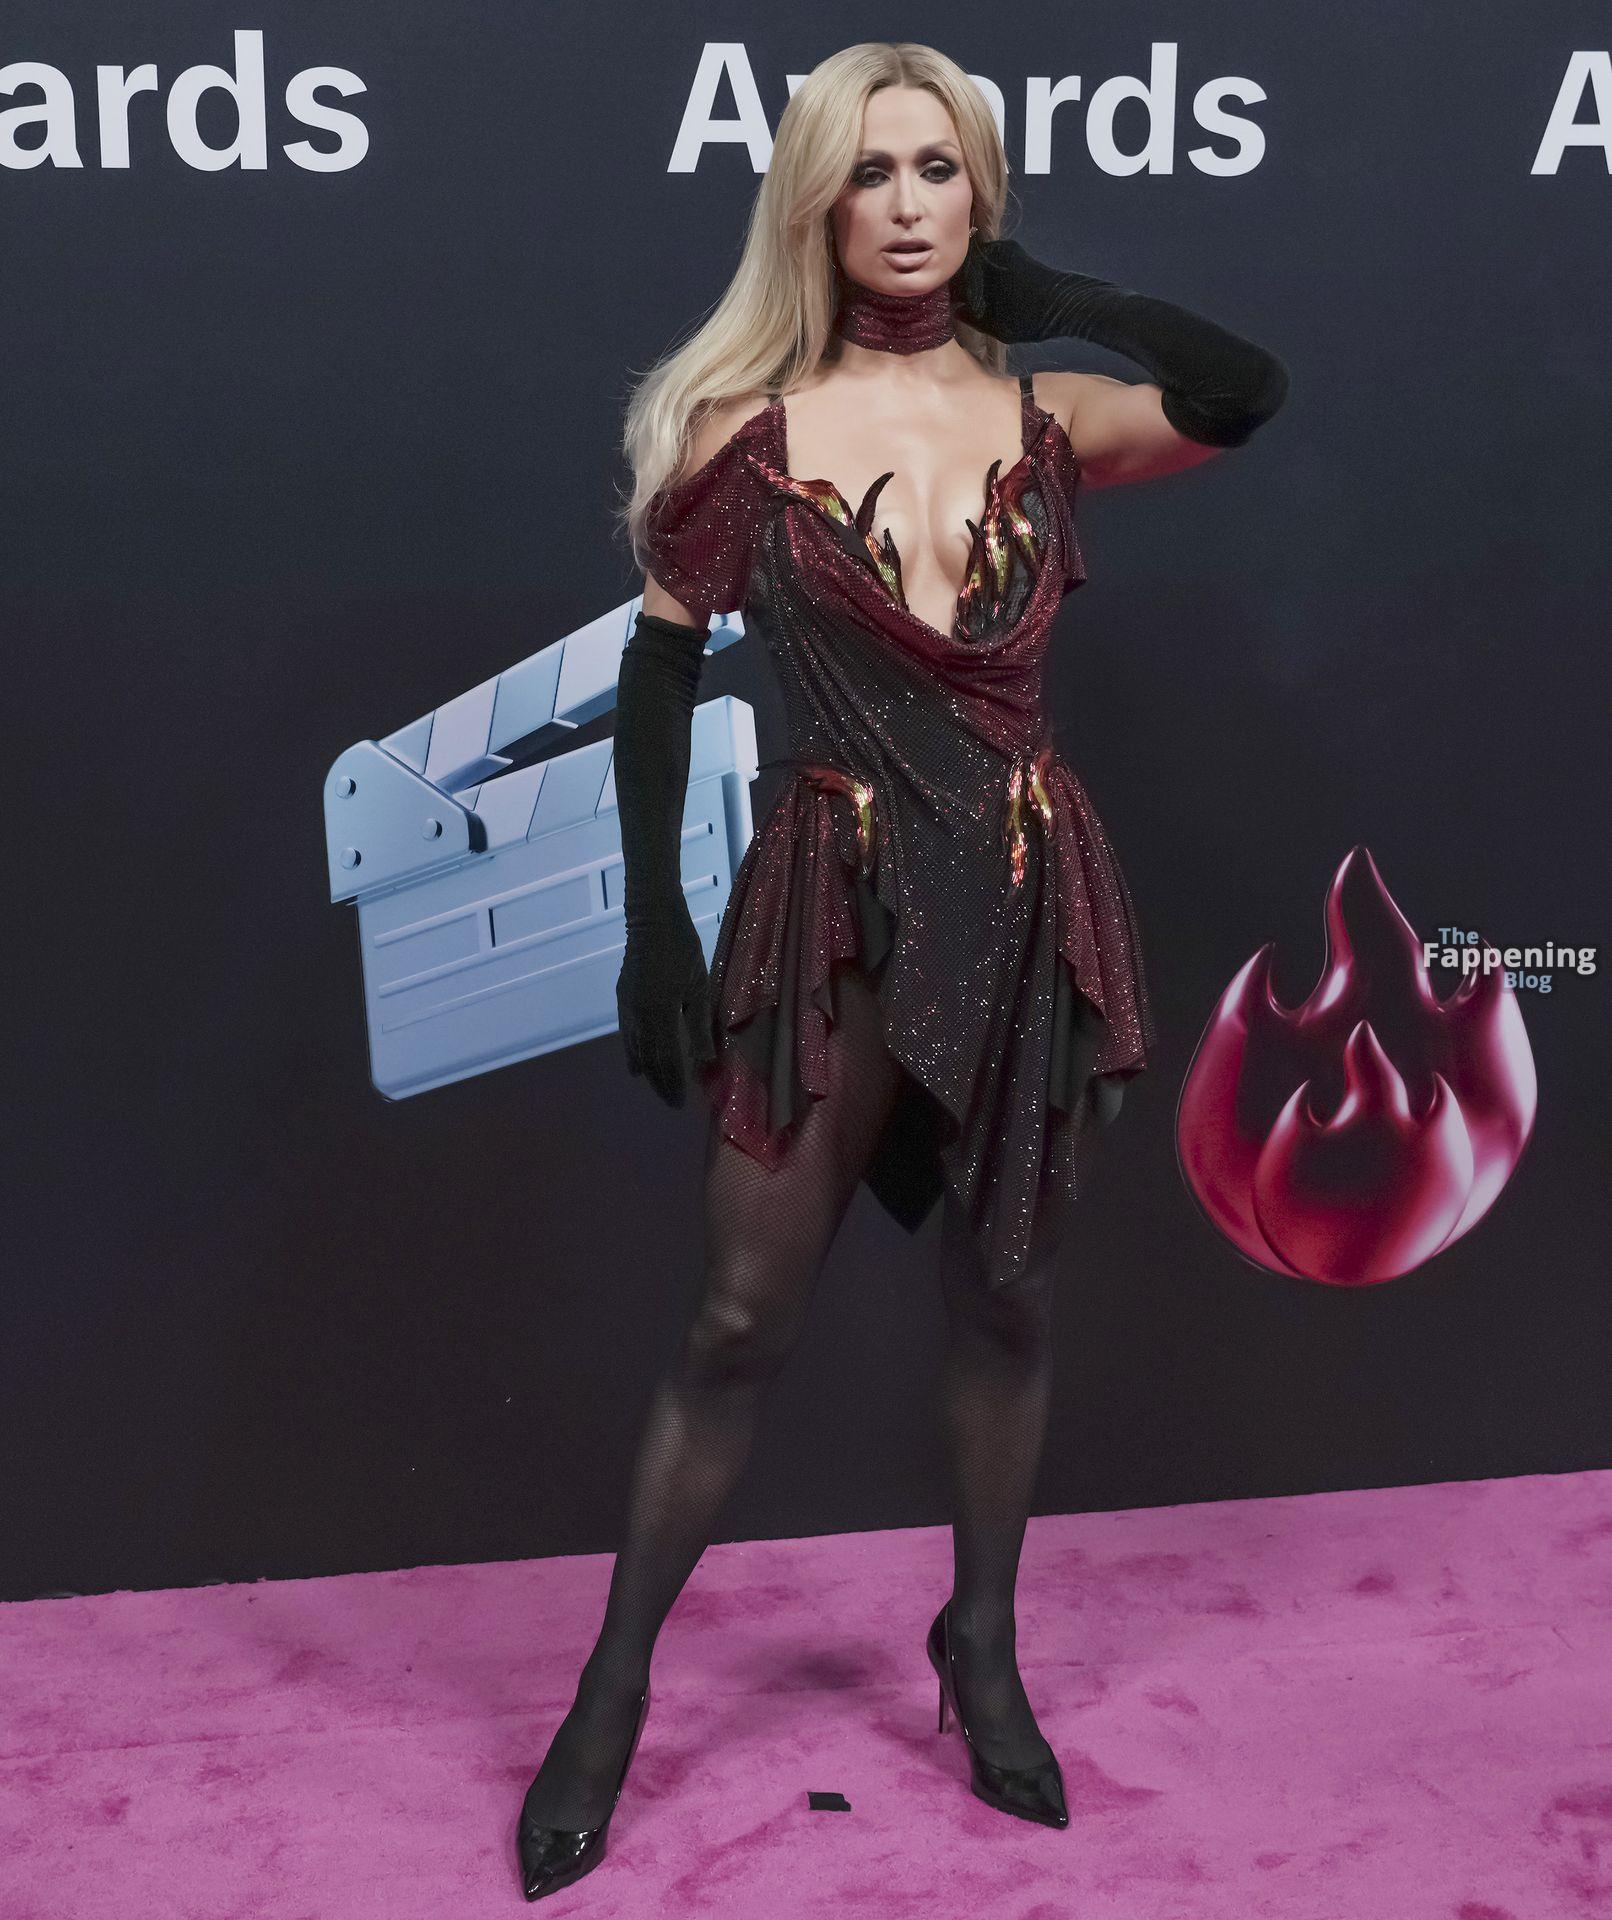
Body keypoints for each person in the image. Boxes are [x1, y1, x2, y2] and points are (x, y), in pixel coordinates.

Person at [517, 40, 1288, 1901]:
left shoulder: (1049, 417)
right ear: (815, 201)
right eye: (872, 172)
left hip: (1020, 899)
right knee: (735, 1322)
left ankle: (983, 1646)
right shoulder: (747, 432)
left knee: (1008, 1303)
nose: (910, 204)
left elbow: (1242, 392)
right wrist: (654, 924)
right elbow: (659, 664)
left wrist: (1061, 296)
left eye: (941, 168)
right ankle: (610, 1694)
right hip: (834, 912)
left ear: (981, 194)